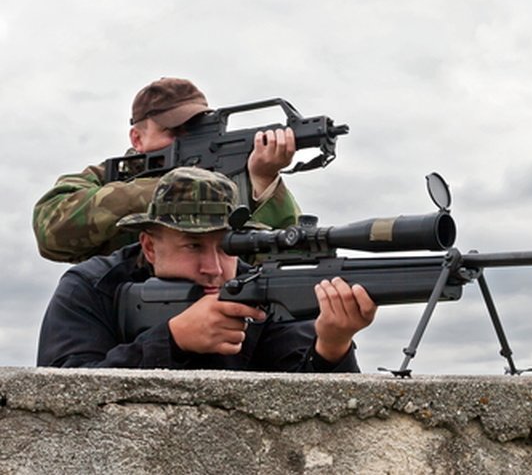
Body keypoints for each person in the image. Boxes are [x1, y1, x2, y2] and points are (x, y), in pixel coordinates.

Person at [37, 167, 377, 371]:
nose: (213, 268)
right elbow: (61, 396)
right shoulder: (92, 287)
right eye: (193, 246)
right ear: (150, 246)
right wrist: (172, 340)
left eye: (226, 247)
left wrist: (333, 346)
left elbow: (313, 404)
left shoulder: (261, 290)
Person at [33, 77, 301, 263]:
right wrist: (167, 191)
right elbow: (50, 232)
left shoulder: (233, 182)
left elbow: (289, 251)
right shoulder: (104, 178)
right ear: (137, 139)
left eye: (194, 130)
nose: (185, 140)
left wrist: (264, 181)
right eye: (171, 131)